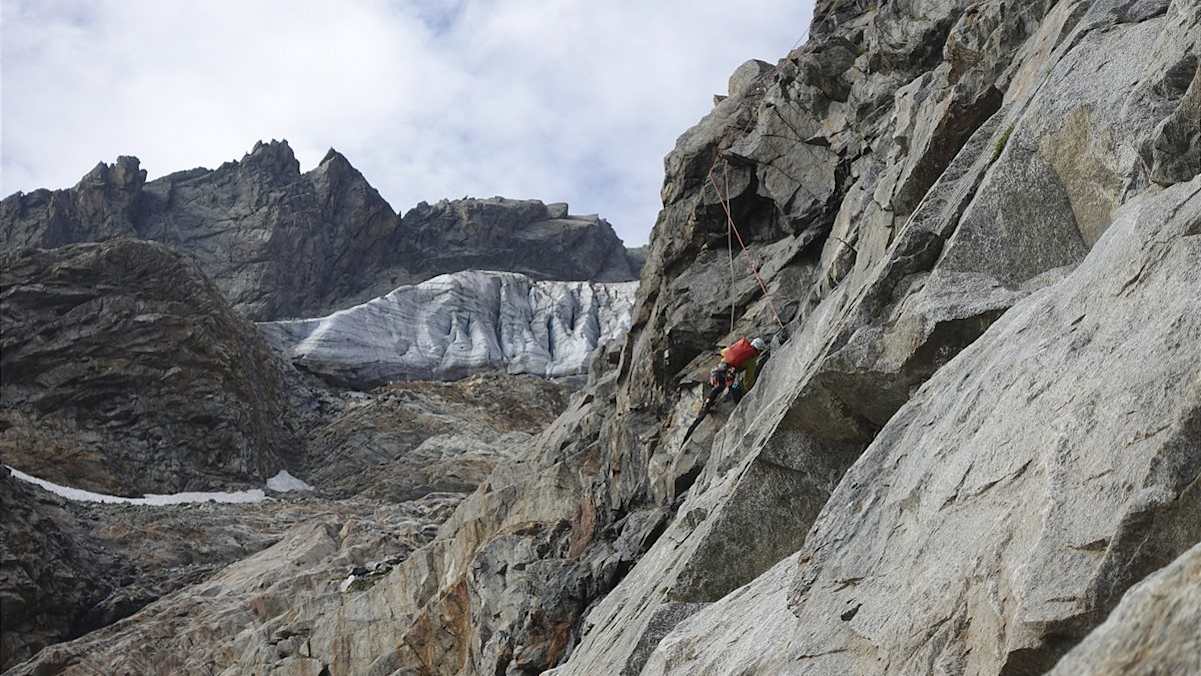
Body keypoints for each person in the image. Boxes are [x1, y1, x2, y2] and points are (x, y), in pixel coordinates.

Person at [704, 336, 769, 410]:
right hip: (730, 371)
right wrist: (749, 390)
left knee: (718, 385)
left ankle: (708, 402)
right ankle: (738, 406)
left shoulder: (739, 347)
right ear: (759, 350)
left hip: (720, 367)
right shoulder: (751, 359)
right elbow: (748, 379)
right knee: (731, 387)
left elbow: (724, 352)